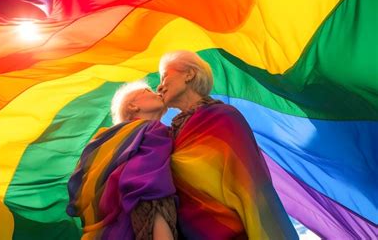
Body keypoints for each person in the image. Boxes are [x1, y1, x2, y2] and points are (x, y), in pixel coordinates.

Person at [157, 50, 298, 240]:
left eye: (165, 76)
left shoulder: (223, 116)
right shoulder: (169, 136)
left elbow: (250, 182)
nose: (159, 87)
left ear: (189, 74)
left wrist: (158, 166)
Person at [67, 80, 177, 240]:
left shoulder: (103, 139)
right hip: (134, 216)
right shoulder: (152, 130)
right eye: (148, 91)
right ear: (133, 106)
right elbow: (151, 183)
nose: (158, 91)